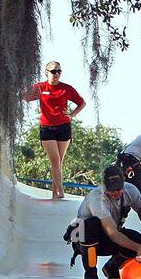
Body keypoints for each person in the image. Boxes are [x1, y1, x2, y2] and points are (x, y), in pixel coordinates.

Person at [65, 165, 141, 279]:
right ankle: (90, 276)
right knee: (91, 225)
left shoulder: (130, 190)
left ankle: (112, 268)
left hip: (106, 235)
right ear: (104, 185)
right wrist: (139, 249)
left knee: (137, 239)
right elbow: (112, 233)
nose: (116, 192)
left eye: (119, 189)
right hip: (81, 237)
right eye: (112, 189)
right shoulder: (97, 199)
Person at [23, 61, 85, 199]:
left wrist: (72, 115)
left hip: (64, 126)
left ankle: (54, 193)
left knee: (59, 162)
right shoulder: (40, 87)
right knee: (55, 161)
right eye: (53, 71)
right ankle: (61, 191)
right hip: (47, 128)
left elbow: (82, 103)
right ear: (46, 72)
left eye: (59, 71)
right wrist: (28, 90)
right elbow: (24, 97)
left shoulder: (66, 88)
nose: (56, 74)